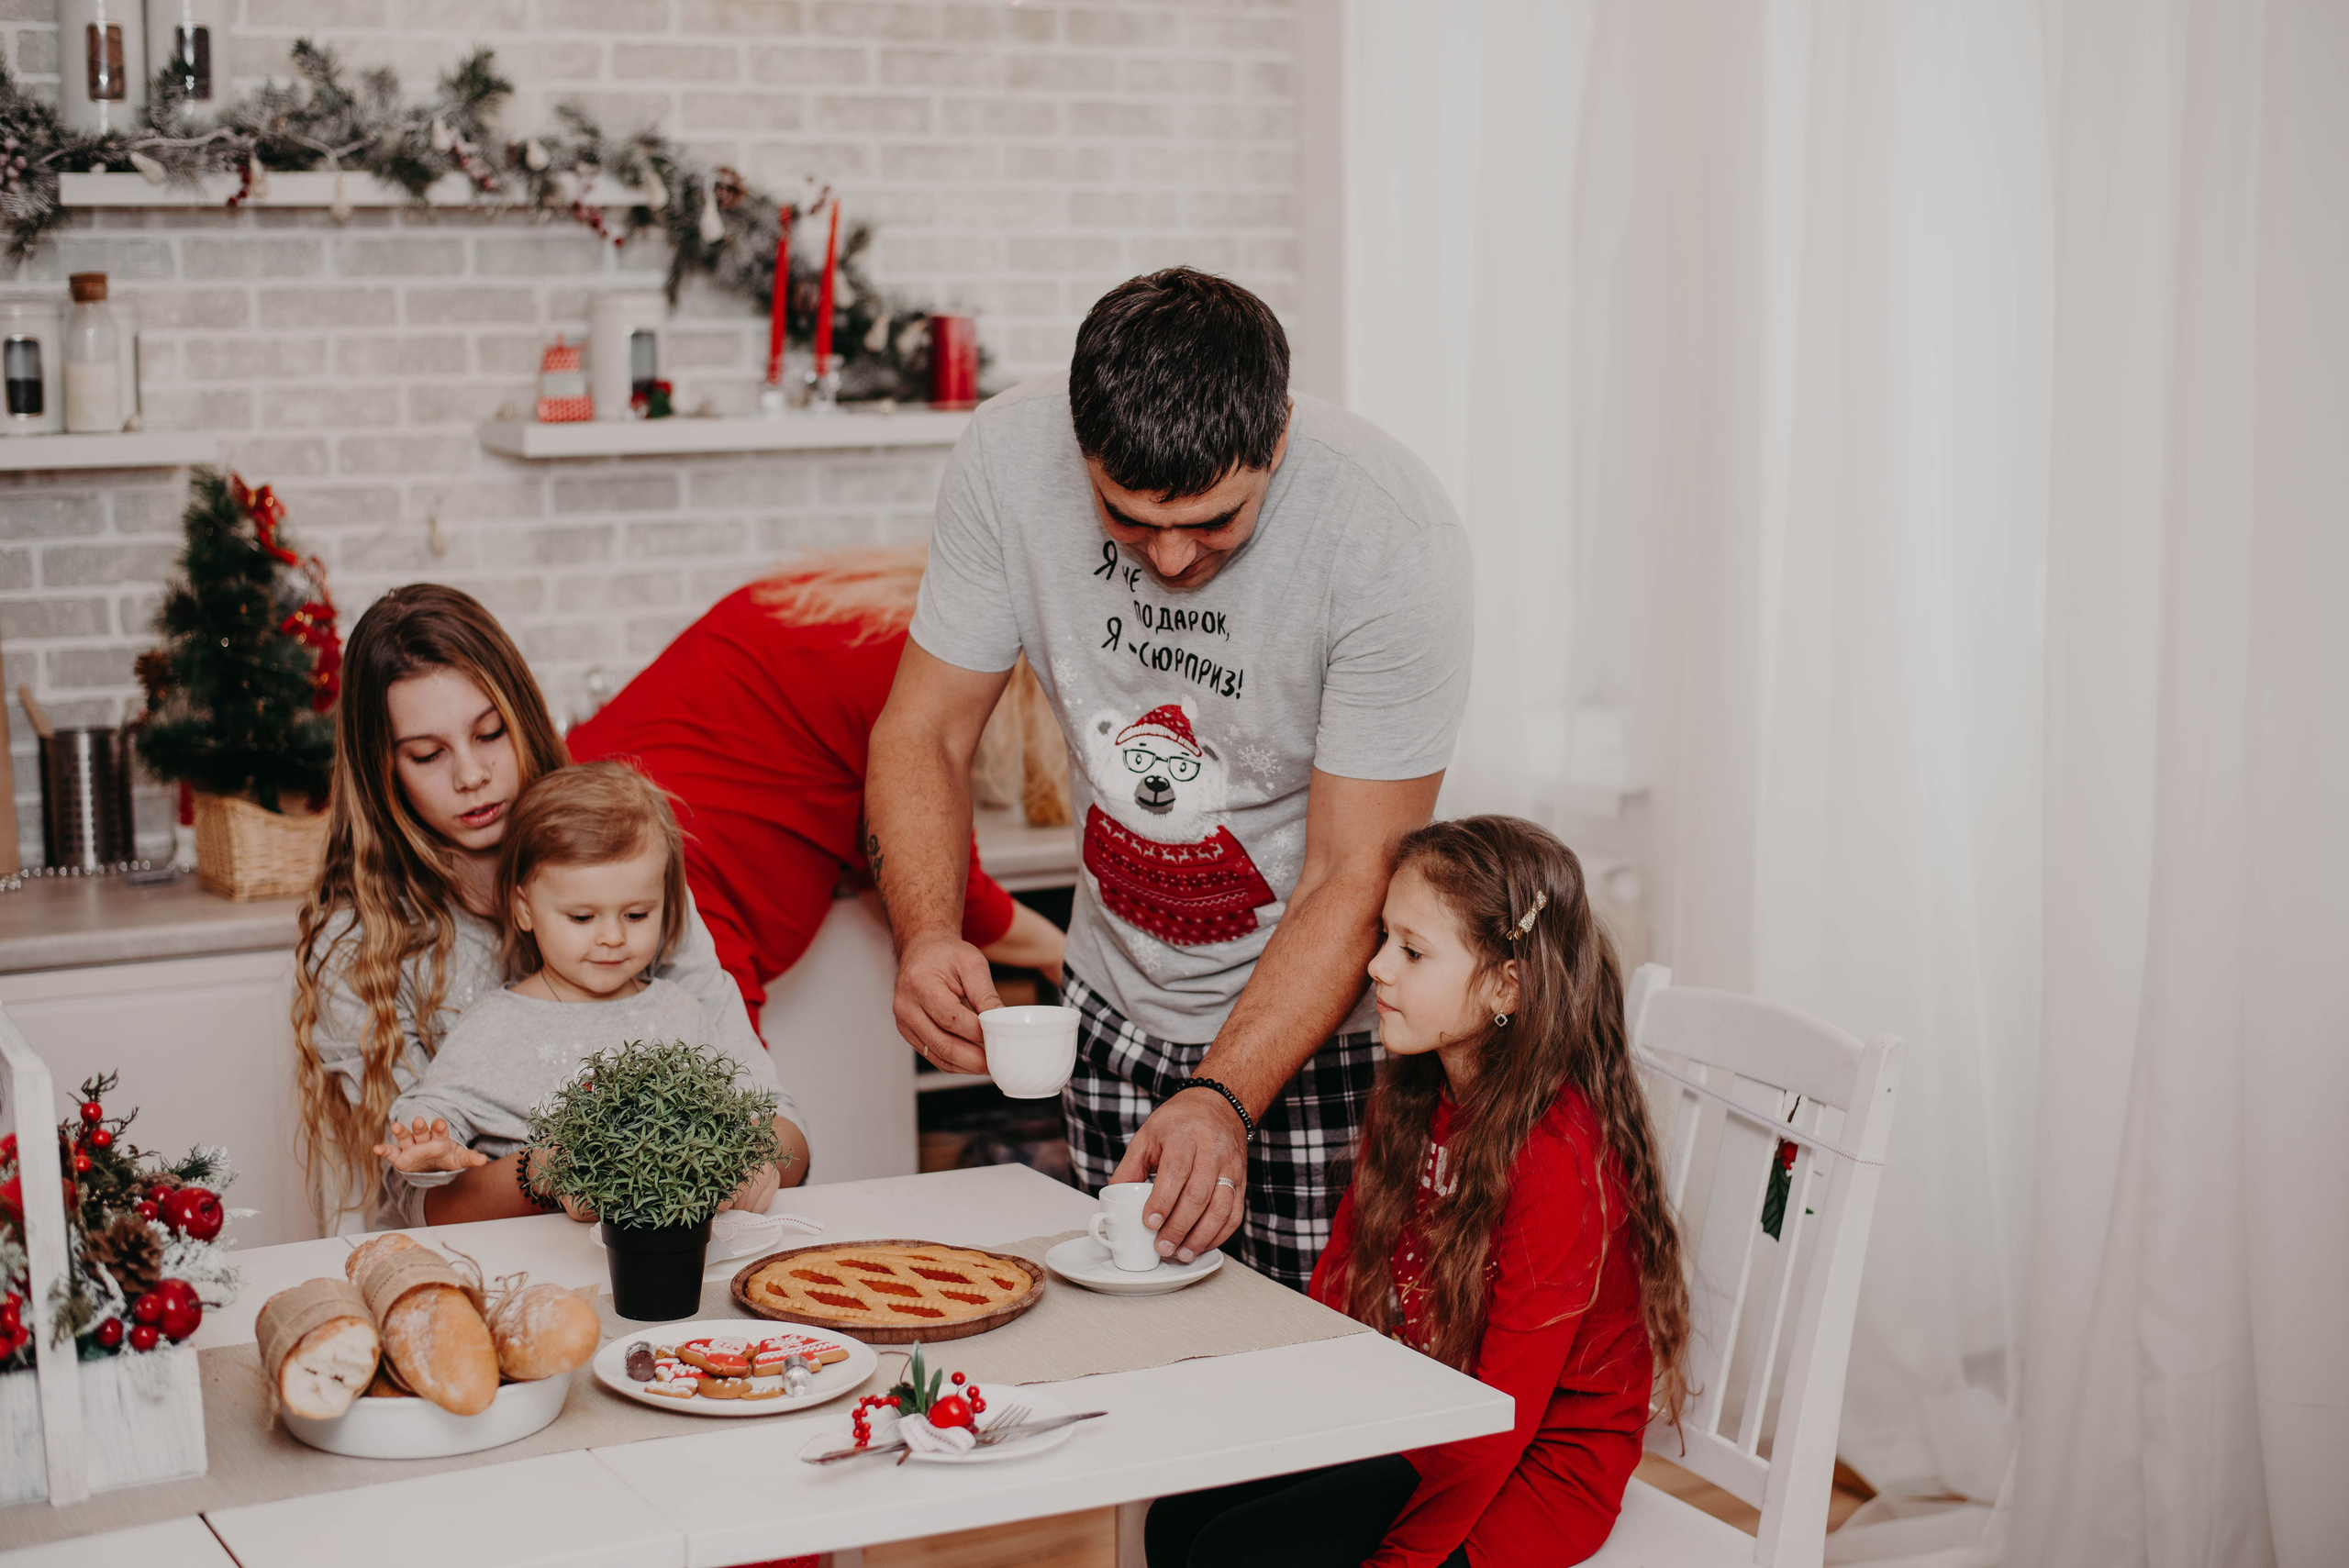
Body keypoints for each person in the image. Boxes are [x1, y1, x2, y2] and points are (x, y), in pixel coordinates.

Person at [867, 268, 1472, 1287]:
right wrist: (927, 930)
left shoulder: (1387, 536)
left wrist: (1225, 1095)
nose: (1171, 555)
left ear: (1274, 439)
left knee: (1318, 1383)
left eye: (1214, 519)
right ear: (1080, 446)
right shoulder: (1008, 461)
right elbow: (922, 730)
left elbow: (1351, 867)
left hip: (1328, 1040)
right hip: (1111, 1007)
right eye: (1128, 516)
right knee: (1139, 1351)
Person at [1146, 817, 1693, 1568]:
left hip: (1536, 1468)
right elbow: (1341, 1276)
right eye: (1383, 939)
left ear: (1507, 983)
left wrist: (1401, 1560)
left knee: (1236, 1555)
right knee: (1177, 1522)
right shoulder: (1416, 1089)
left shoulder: (1558, 1155)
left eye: (1412, 950)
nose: (1375, 966)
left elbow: (1506, 1413)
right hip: (1433, 1422)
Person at [291, 584, 807, 1232]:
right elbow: (422, 1197)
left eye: (489, 733)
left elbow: (782, 1125)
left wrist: (756, 1158)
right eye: (428, 754)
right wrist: (558, 1168)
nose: (471, 775)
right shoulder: (359, 943)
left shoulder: (620, 878)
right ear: (382, 769)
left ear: (524, 717)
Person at [566, 547, 1065, 1035]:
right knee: (723, 1098)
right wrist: (1060, 955)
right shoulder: (917, 665)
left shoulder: (827, 598)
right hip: (676, 874)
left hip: (569, 825)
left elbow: (882, 854)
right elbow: (948, 885)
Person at [373, 762, 810, 1225]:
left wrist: (757, 1162)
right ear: (524, 908)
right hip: (532, 1262)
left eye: (637, 914)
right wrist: (429, 1147)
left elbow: (755, 1115)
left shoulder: (681, 1011)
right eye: (582, 918)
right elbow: (432, 1118)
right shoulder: (493, 1025)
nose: (612, 937)